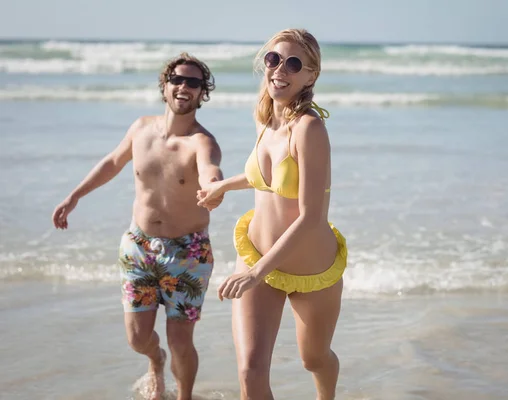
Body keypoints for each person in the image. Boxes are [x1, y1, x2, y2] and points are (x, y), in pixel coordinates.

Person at [51, 52, 223, 400]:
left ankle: (184, 396)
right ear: (165, 85)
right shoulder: (141, 128)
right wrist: (75, 196)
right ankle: (154, 362)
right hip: (138, 246)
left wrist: (214, 189)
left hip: (187, 254)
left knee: (180, 340)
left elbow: (210, 171)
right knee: (138, 338)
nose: (184, 87)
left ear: (202, 93)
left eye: (193, 82)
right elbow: (113, 162)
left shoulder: (202, 143)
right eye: (178, 79)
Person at [197, 29, 346, 400]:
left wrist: (254, 274)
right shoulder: (265, 118)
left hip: (310, 269)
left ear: (310, 76)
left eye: (294, 63)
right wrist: (222, 187)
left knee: (313, 359)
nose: (280, 68)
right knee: (250, 370)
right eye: (273, 59)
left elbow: (312, 216)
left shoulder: (309, 128)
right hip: (258, 256)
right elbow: (264, 177)